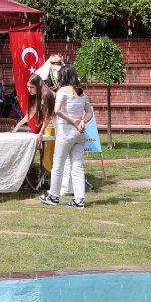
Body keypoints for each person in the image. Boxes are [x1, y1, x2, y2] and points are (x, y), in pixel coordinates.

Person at [39, 65, 93, 209]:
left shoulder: (62, 91)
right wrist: (82, 121)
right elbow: (89, 113)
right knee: (77, 166)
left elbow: (57, 110)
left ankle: (54, 196)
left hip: (66, 132)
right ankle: (79, 199)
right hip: (80, 133)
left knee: (58, 164)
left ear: (63, 77)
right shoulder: (82, 92)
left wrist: (72, 120)